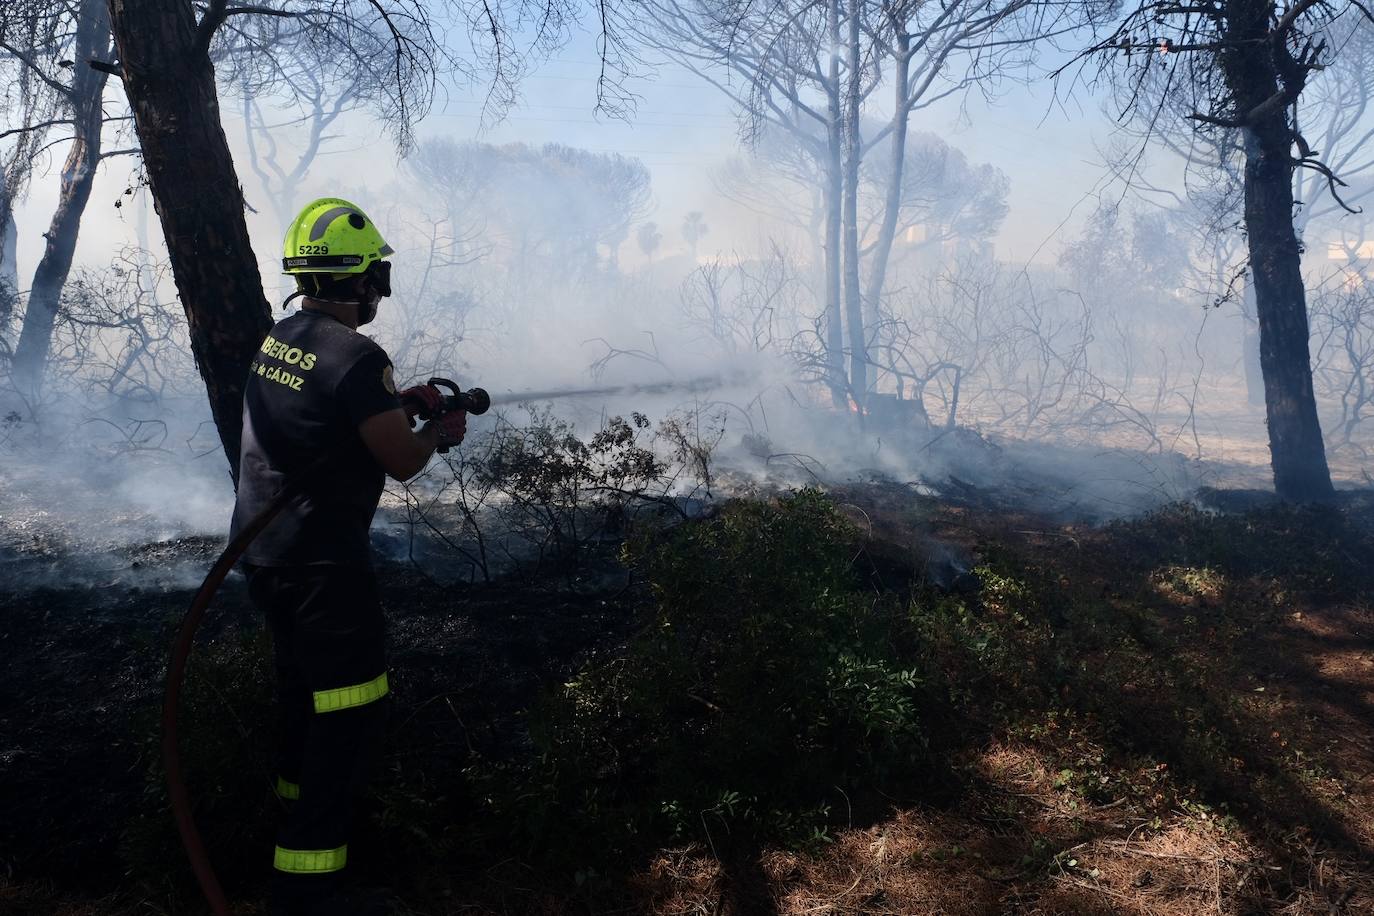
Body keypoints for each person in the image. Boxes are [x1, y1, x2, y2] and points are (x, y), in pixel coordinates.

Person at [230, 198, 465, 916]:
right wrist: (439, 431)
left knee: (302, 698)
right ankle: (309, 889)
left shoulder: (282, 338)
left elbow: (324, 418)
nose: (378, 290)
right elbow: (403, 462)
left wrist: (401, 404)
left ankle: (285, 831)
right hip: (322, 568)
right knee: (349, 712)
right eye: (375, 276)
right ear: (356, 279)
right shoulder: (361, 357)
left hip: (266, 555)